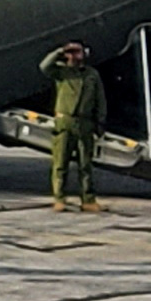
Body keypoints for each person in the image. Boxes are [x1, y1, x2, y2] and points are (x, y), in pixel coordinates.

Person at [42, 40, 106, 212]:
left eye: (78, 52)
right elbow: (44, 66)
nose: (74, 56)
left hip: (85, 123)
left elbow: (100, 100)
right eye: (72, 53)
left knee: (85, 164)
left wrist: (100, 123)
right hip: (65, 122)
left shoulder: (91, 74)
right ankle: (60, 198)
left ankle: (88, 199)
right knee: (60, 163)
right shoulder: (62, 72)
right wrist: (60, 51)